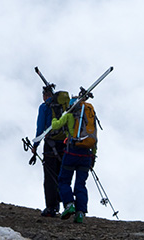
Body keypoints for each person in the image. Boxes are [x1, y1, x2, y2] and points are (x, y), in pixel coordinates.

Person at [50, 96, 98, 224]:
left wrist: (55, 117)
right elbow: (94, 140)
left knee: (64, 180)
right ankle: (80, 213)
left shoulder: (69, 115)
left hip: (71, 152)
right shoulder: (90, 118)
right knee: (81, 184)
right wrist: (93, 156)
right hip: (86, 155)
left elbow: (56, 125)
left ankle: (69, 204)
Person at [35, 87, 69, 217]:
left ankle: (51, 207)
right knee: (63, 176)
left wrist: (35, 145)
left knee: (50, 177)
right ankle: (67, 204)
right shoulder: (64, 107)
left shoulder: (45, 107)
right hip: (65, 145)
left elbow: (40, 128)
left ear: (45, 95)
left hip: (50, 145)